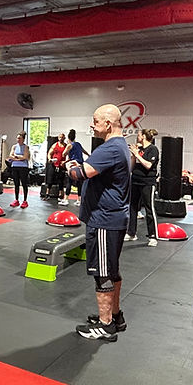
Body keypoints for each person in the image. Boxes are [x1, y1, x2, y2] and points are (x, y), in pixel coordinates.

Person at [69, 104, 131, 342]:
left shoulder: (111, 148)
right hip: (111, 216)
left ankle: (106, 327)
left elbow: (82, 173)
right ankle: (116, 317)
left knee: (102, 274)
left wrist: (70, 168)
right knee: (111, 271)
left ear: (107, 123)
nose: (91, 125)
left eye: (95, 121)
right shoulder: (120, 145)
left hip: (104, 219)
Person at [126, 128, 159, 245]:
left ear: (144, 136)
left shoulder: (152, 149)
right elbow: (131, 167)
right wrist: (133, 155)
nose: (137, 137)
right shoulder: (139, 149)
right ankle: (131, 233)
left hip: (148, 183)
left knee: (150, 209)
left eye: (139, 135)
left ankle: (153, 236)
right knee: (133, 207)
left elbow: (148, 165)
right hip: (135, 181)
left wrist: (137, 154)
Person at [64, 128, 88, 205]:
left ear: (68, 137)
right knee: (79, 182)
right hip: (80, 164)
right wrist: (89, 155)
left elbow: (63, 154)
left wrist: (67, 149)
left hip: (74, 163)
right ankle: (79, 200)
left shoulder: (70, 145)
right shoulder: (78, 144)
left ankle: (66, 199)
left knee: (69, 181)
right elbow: (84, 151)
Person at [8, 132, 31, 208]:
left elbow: (25, 157)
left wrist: (16, 157)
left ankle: (25, 200)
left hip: (23, 167)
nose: (18, 140)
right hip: (15, 166)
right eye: (17, 138)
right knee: (16, 184)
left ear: (23, 139)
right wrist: (18, 158)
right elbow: (10, 156)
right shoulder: (14, 146)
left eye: (19, 138)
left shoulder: (26, 147)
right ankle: (16, 200)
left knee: (24, 184)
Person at [46, 132, 68, 204]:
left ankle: (60, 195)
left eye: (62, 137)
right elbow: (49, 153)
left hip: (61, 165)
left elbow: (68, 155)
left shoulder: (66, 146)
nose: (61, 139)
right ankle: (47, 193)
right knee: (51, 178)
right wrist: (49, 159)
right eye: (59, 137)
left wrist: (65, 162)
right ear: (58, 138)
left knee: (61, 180)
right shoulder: (55, 145)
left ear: (64, 138)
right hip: (54, 164)